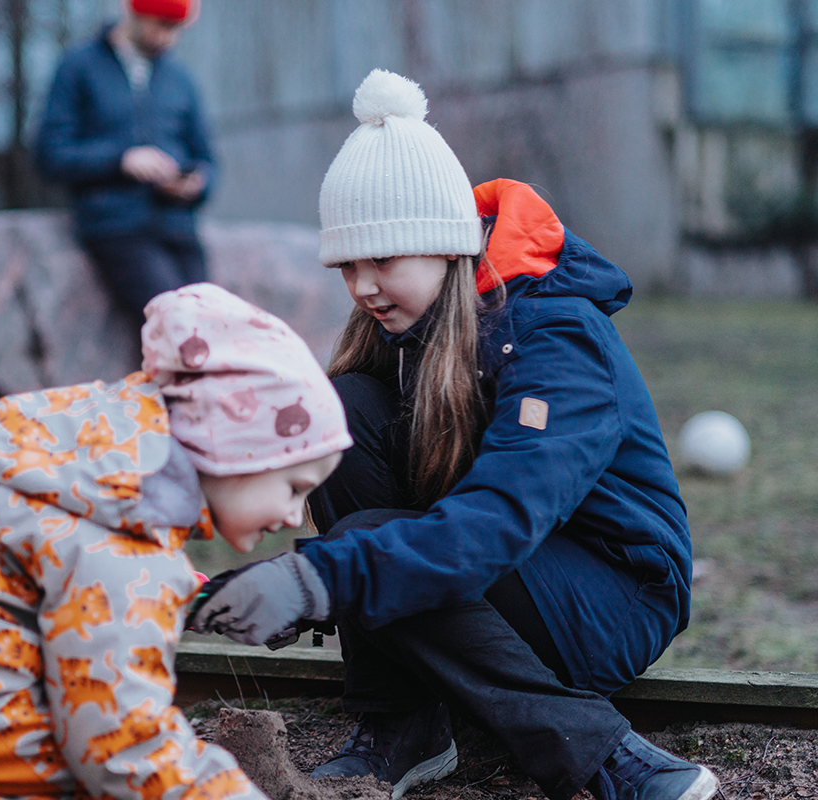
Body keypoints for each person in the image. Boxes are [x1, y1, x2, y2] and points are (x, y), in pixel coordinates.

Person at [189, 70, 720, 800]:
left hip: (613, 594)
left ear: (442, 245)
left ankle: (607, 758)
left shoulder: (556, 334)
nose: (363, 287)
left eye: (383, 260)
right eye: (347, 266)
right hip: (500, 568)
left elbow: (497, 521)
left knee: (369, 544)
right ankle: (404, 723)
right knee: (343, 412)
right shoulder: (407, 327)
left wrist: (318, 582)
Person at [0, 282, 351, 800]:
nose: (292, 516)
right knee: (87, 765)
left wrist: (180, 595)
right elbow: (123, 741)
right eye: (293, 486)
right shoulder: (130, 534)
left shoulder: (53, 445)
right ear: (232, 445)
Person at [34, 0, 215, 323]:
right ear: (133, 11)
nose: (168, 38)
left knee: (211, 322)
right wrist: (121, 160)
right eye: (162, 24)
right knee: (176, 322)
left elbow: (207, 159)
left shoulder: (180, 78)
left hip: (179, 229)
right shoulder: (79, 67)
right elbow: (50, 155)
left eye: (176, 29)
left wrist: (195, 184)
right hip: (117, 228)